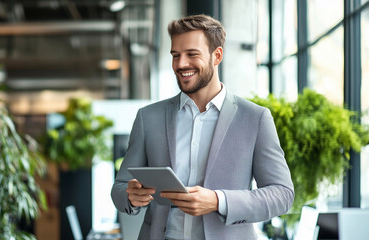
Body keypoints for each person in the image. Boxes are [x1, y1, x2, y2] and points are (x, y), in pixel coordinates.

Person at [111, 14, 294, 240]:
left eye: (192, 54)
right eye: (175, 55)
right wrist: (130, 196)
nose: (181, 64)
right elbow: (119, 187)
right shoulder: (148, 118)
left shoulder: (255, 118)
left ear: (217, 56)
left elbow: (282, 194)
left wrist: (219, 200)